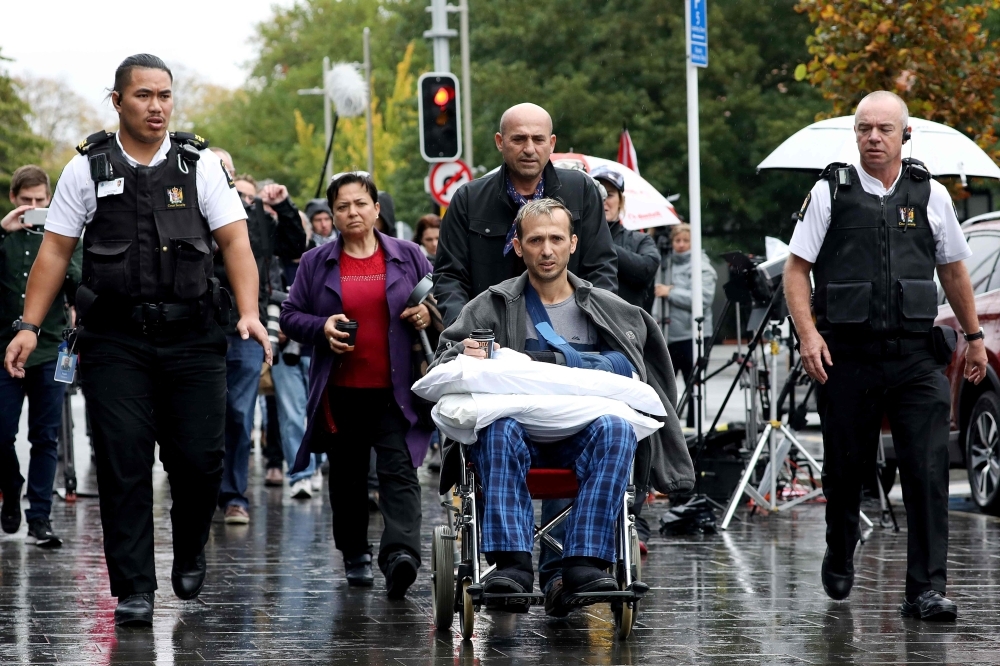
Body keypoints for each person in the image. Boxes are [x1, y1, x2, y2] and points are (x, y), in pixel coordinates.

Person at [3, 54, 270, 626]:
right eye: (144, 95)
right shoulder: (86, 168)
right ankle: (133, 590)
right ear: (118, 101)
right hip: (115, 341)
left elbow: (235, 244)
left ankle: (192, 546)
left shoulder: (198, 165)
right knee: (123, 463)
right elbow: (53, 251)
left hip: (194, 336)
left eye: (165, 95)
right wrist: (29, 325)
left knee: (200, 461)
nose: (157, 106)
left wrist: (248, 313)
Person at [431, 198, 693, 616]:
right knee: (497, 428)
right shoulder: (491, 305)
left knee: (617, 428)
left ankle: (584, 563)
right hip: (516, 440)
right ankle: (512, 564)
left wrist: (556, 363)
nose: (546, 249)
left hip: (582, 438)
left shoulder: (608, 307)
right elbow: (444, 362)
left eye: (556, 239)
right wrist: (469, 353)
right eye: (535, 240)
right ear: (518, 246)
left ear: (573, 243)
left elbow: (636, 367)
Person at [783, 90, 985, 622]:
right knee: (846, 471)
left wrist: (975, 337)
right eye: (864, 128)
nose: (873, 137)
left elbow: (955, 271)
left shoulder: (930, 194)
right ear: (855, 135)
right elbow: (796, 269)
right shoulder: (831, 191)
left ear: (905, 134)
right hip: (847, 357)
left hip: (917, 357)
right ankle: (840, 548)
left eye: (884, 129)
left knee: (927, 470)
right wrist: (809, 335)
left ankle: (926, 589)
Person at [280, 171, 437, 599]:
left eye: (360, 204)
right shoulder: (316, 262)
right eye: (343, 206)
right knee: (347, 479)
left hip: (396, 391)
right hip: (341, 391)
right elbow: (291, 315)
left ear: (376, 209)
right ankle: (354, 553)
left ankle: (400, 555)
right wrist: (322, 326)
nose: (353, 212)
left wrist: (426, 315)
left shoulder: (408, 255)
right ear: (332, 214)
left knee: (399, 473)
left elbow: (433, 306)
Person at [433, 102, 619, 326]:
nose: (529, 149)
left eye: (538, 139)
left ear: (551, 144)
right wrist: (468, 332)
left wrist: (592, 325)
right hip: (492, 337)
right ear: (500, 142)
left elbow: (602, 267)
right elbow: (449, 277)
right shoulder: (468, 199)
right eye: (519, 139)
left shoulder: (580, 190)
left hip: (571, 335)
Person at [214, 172, 305, 524]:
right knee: (202, 417)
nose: (242, 201)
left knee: (238, 413)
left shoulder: (259, 224)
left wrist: (282, 206)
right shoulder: (193, 212)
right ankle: (201, 493)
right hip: (198, 330)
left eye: (248, 197)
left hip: (245, 331)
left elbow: (295, 246)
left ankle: (235, 496)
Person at [0, 165, 82, 547]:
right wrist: (4, 230)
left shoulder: (63, 236)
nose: (33, 206)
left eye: (40, 200)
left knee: (46, 438)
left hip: (50, 348)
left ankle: (40, 518)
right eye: (26, 200)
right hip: (4, 350)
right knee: (2, 433)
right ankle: (11, 485)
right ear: (15, 199)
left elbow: (80, 282)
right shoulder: (4, 238)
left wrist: (62, 242)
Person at [654, 223, 717, 427]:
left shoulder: (702, 266)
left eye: (685, 241)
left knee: (695, 389)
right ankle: (668, 433)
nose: (680, 245)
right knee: (665, 390)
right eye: (677, 240)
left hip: (693, 337)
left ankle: (694, 430)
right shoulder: (665, 264)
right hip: (667, 335)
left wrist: (670, 292)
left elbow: (703, 299)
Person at [590, 166, 660, 311]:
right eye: (598, 193)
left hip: (628, 326)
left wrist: (604, 245)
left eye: (609, 194)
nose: (604, 200)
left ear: (621, 201)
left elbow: (646, 269)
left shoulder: (640, 240)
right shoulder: (575, 239)